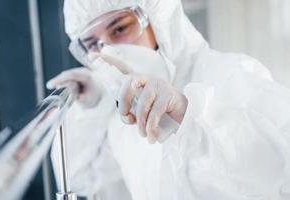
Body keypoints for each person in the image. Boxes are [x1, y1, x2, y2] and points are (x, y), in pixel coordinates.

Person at [49, 0, 290, 199]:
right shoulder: (123, 120)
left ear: (159, 20)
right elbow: (90, 183)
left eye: (120, 29)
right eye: (93, 45)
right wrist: (91, 111)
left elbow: (280, 176)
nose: (108, 51)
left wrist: (189, 115)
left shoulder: (231, 73)